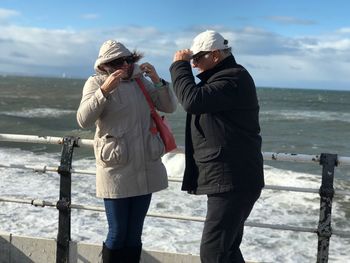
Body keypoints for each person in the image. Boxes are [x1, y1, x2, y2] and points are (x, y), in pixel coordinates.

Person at [77, 40, 177, 263]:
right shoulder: (96, 82)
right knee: (117, 233)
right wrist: (104, 91)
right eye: (118, 62)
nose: (125, 65)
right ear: (105, 66)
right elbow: (83, 119)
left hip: (145, 165)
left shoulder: (141, 82)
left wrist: (158, 81)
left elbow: (169, 107)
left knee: (134, 235)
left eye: (128, 60)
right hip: (116, 168)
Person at [169, 30, 264, 262]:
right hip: (234, 178)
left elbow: (192, 100)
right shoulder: (225, 78)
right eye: (191, 60)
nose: (194, 64)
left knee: (213, 253)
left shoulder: (233, 78)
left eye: (197, 58)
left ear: (215, 55)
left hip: (233, 180)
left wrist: (178, 66)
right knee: (227, 251)